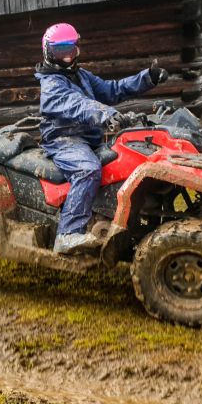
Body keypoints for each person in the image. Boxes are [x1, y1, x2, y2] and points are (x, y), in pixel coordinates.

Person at [35, 23, 168, 255]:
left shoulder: (81, 75)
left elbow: (111, 89)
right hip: (64, 140)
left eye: (71, 50)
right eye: (60, 51)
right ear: (48, 51)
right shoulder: (51, 84)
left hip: (88, 139)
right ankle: (68, 234)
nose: (67, 57)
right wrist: (104, 113)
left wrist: (147, 78)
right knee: (87, 169)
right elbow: (77, 104)